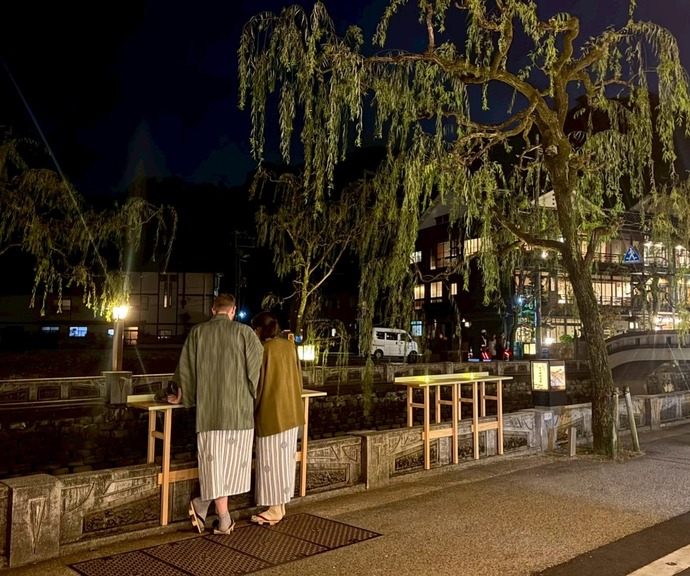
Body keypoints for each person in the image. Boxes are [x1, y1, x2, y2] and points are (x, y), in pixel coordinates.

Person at [167, 293, 263, 534]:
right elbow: (256, 370)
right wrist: (250, 392)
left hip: (209, 412)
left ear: (213, 310)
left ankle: (207, 507)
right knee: (232, 467)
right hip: (239, 412)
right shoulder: (245, 333)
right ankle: (222, 517)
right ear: (233, 311)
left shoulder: (198, 333)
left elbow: (186, 371)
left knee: (214, 466)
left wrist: (182, 397)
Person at [249, 311, 305, 526]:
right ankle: (280, 506)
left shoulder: (263, 349)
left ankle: (274, 508)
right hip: (292, 412)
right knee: (285, 461)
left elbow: (257, 385)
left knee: (270, 462)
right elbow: (298, 377)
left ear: (259, 330)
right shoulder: (289, 346)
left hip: (271, 414)